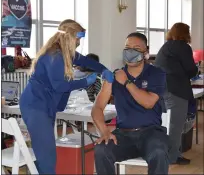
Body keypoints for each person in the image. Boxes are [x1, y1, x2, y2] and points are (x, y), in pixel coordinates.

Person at [19, 19, 114, 174]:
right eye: (78, 39)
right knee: (47, 158)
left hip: (44, 105)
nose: (79, 43)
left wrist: (104, 69)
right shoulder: (54, 56)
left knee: (45, 153)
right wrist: (85, 81)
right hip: (36, 106)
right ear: (69, 37)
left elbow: (86, 61)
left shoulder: (65, 53)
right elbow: (60, 86)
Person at [92, 32, 169, 175]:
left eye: (136, 48)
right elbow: (97, 107)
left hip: (151, 133)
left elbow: (148, 102)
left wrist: (127, 82)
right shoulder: (114, 76)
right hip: (123, 135)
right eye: (127, 47)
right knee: (101, 150)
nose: (130, 52)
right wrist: (104, 131)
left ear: (146, 52)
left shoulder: (156, 73)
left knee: (159, 152)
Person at [155, 22, 198, 165]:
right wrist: (194, 72)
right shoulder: (183, 46)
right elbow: (191, 69)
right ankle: (172, 157)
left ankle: (163, 153)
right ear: (185, 33)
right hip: (177, 89)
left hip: (161, 89)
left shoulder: (165, 46)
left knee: (166, 123)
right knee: (176, 125)